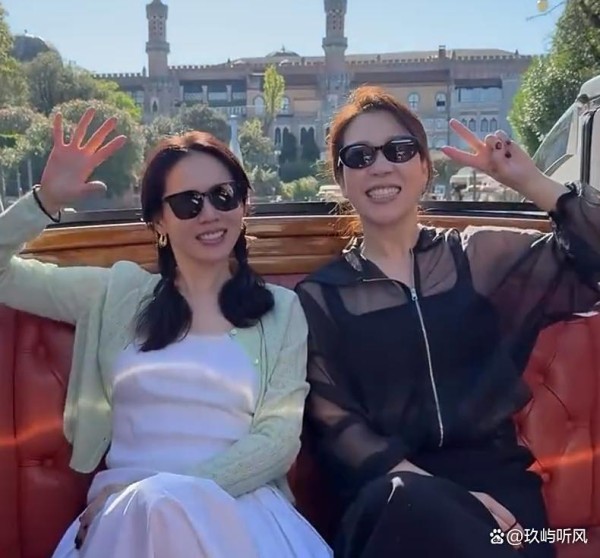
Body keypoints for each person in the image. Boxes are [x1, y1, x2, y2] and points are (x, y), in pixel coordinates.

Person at [0, 108, 332, 558]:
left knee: (158, 506)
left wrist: (167, 492)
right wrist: (45, 201)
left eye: (223, 196)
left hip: (237, 505)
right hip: (126, 516)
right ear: (158, 221)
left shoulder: (281, 310)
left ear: (243, 205)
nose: (209, 214)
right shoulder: (114, 295)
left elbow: (278, 441)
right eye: (187, 203)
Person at [295, 85, 600, 558]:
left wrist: (528, 180)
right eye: (359, 156)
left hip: (505, 502)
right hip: (389, 498)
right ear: (342, 178)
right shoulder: (321, 297)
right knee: (407, 503)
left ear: (424, 167)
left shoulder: (478, 257)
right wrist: (451, 503)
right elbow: (339, 428)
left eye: (399, 150)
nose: (380, 165)